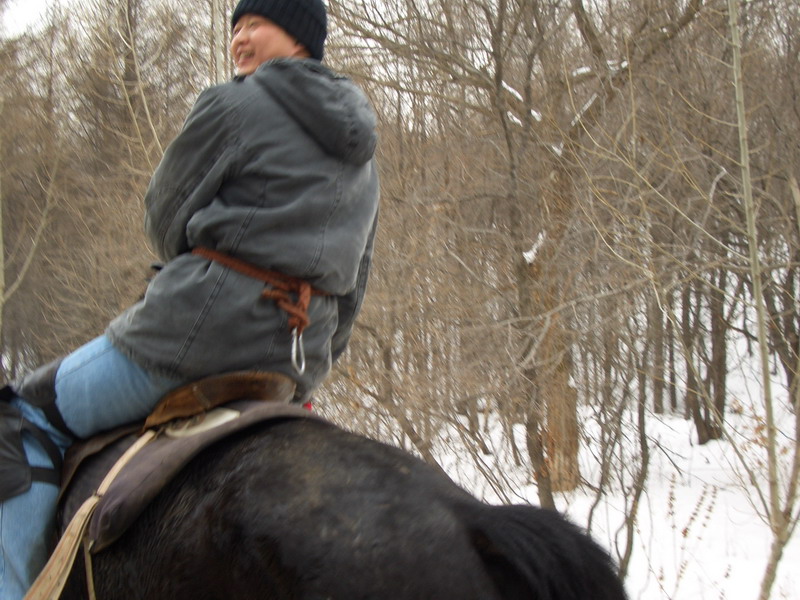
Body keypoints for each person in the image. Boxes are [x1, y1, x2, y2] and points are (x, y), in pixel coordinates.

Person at [0, 0, 380, 596]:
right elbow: (354, 283)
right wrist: (310, 365)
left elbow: (162, 214)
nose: (240, 39)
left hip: (188, 338)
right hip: (288, 363)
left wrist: (201, 271)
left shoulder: (236, 104)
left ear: (301, 38)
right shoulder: (362, 155)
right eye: (236, 27)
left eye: (256, 24)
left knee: (22, 415)